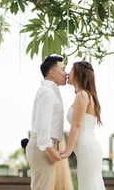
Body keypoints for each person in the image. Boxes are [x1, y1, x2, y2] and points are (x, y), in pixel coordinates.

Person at [60, 61, 105, 190]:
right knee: (90, 184)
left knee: (88, 185)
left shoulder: (82, 95)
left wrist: (67, 151)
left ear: (79, 74)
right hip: (88, 146)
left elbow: (77, 126)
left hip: (87, 147)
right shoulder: (87, 95)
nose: (68, 73)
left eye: (72, 70)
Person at [27, 54, 67, 189]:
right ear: (52, 73)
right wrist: (50, 150)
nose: (66, 73)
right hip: (43, 147)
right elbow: (43, 124)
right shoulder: (47, 92)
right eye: (62, 69)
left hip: (45, 146)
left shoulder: (51, 91)